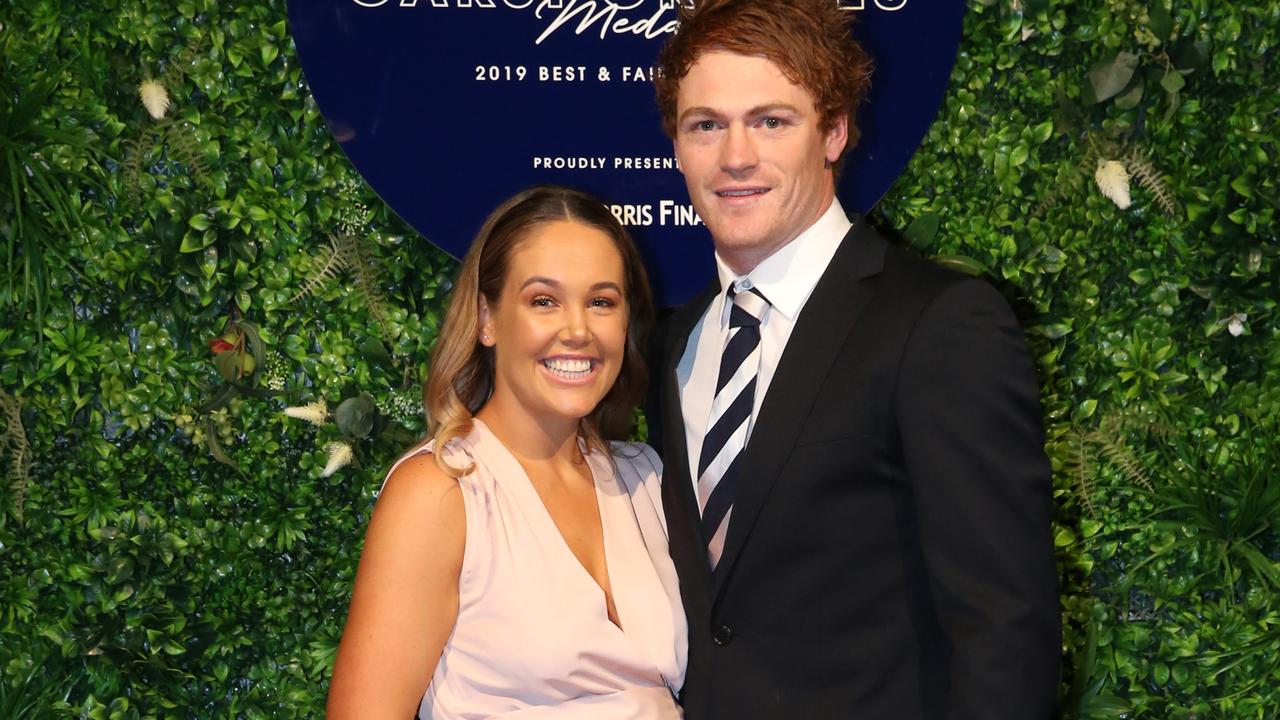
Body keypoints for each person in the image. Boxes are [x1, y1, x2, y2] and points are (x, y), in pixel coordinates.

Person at [647, 1, 1061, 718]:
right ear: (677, 146)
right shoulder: (672, 345)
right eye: (706, 124)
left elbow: (1006, 629)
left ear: (834, 132)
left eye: (772, 121)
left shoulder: (936, 323)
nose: (736, 155)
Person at [327, 185, 686, 719]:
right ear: (487, 319)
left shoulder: (645, 478)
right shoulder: (441, 491)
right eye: (544, 300)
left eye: (601, 301)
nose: (578, 330)